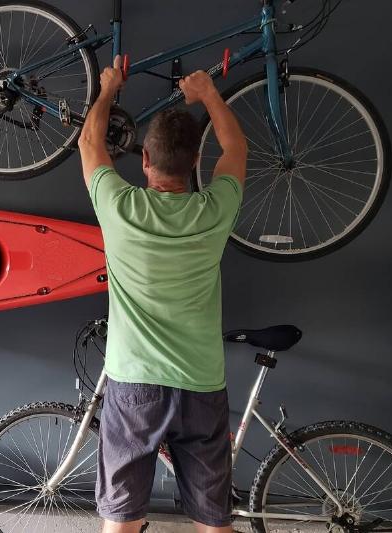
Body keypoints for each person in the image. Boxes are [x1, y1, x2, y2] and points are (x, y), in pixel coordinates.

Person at [77, 55, 247, 533]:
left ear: (145, 160)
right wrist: (209, 94)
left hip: (134, 384)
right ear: (196, 162)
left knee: (122, 520)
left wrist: (109, 89)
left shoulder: (119, 206)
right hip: (201, 385)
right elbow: (236, 149)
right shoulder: (215, 211)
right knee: (214, 522)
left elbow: (90, 143)